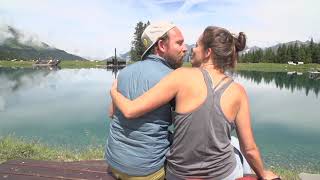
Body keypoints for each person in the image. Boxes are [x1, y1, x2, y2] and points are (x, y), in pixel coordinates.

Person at [110, 26, 280, 180]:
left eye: (197, 45)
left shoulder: (181, 75)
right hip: (220, 174)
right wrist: (263, 174)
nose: (191, 49)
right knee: (235, 145)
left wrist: (113, 92)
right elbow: (250, 150)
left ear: (208, 52)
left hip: (177, 174)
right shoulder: (239, 91)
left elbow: (128, 110)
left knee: (233, 143)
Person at [105, 21, 187, 180]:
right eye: (179, 43)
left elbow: (111, 113)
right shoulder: (174, 78)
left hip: (113, 161)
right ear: (162, 45)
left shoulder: (124, 72)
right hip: (146, 171)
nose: (185, 48)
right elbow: (187, 129)